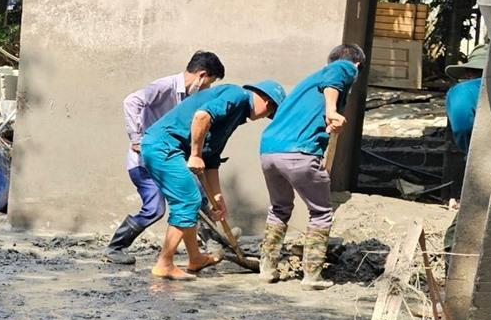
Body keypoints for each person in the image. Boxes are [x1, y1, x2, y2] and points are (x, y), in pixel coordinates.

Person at [137, 79, 284, 281]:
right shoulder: (237, 95)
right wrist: (195, 154)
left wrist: (216, 196)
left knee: (192, 201)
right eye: (269, 114)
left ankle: (195, 258)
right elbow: (201, 116)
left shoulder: (237, 115)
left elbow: (212, 157)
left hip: (167, 148)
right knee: (187, 201)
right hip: (164, 146)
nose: (264, 117)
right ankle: (165, 263)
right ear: (268, 102)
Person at [257, 44, 366, 290]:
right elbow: (339, 72)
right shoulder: (344, 67)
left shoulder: (306, 86)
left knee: (279, 208)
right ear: (357, 65)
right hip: (299, 153)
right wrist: (331, 112)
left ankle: (267, 269)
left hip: (269, 151)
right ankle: (312, 276)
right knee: (321, 212)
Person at [107, 52, 226, 264]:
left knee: (196, 196)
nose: (208, 89)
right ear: (201, 75)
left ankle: (213, 242)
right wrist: (137, 138)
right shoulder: (164, 87)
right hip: (145, 163)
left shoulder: (191, 98)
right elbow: (131, 101)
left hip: (170, 160)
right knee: (155, 209)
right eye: (209, 83)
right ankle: (115, 247)